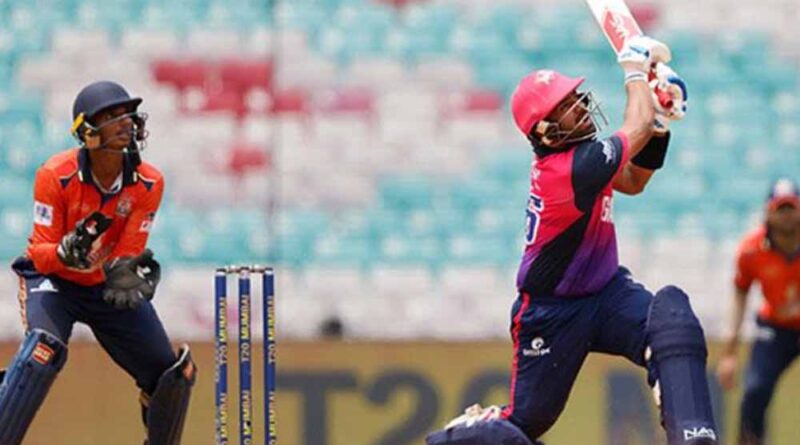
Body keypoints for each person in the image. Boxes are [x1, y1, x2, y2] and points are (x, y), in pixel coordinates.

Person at [427, 36, 718, 445]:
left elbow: (633, 181)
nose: (580, 105)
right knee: (523, 426)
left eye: (575, 97)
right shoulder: (568, 171)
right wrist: (636, 72)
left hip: (607, 292)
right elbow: (632, 130)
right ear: (545, 130)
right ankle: (455, 438)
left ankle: (694, 436)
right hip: (552, 312)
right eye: (566, 105)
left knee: (673, 320)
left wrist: (659, 124)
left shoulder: (583, 158)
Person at [0, 80, 196, 445]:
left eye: (127, 114)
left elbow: (128, 250)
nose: (125, 122)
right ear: (88, 131)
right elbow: (39, 252)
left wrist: (128, 273)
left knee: (172, 375)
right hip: (53, 281)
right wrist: (63, 253)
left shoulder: (149, 182)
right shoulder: (55, 175)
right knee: (42, 352)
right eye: (111, 116)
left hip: (101, 286)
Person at [716, 178, 800, 445]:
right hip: (775, 326)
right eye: (780, 208)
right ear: (768, 212)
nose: (786, 215)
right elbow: (740, 293)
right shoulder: (751, 250)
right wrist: (729, 353)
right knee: (754, 391)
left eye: (791, 208)